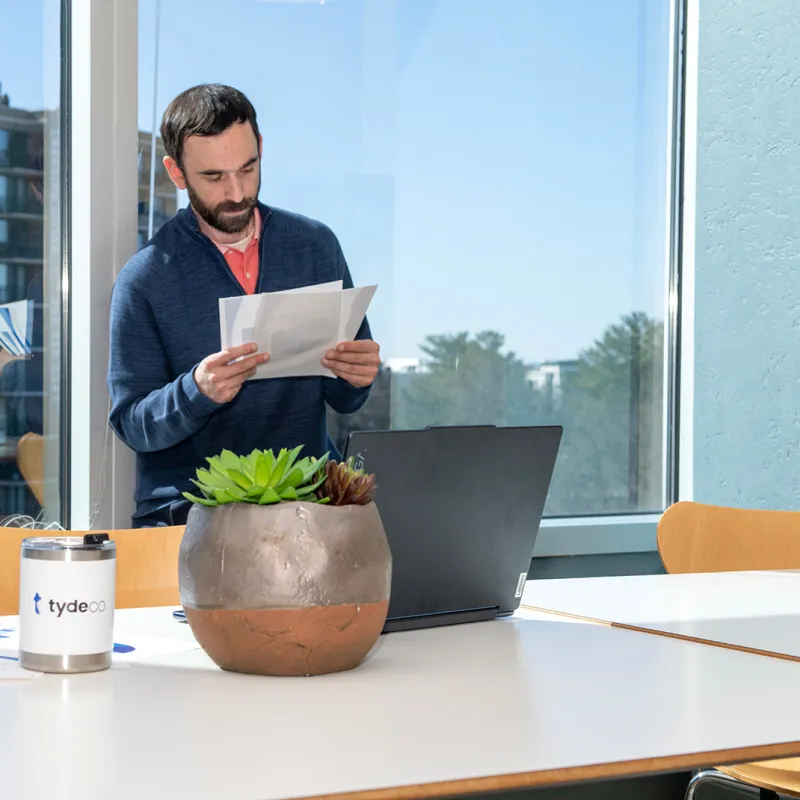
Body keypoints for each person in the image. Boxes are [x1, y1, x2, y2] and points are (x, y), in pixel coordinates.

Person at [108, 84, 381, 527]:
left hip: (307, 509)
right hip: (190, 519)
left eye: (248, 168)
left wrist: (356, 377)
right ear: (176, 173)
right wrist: (196, 391)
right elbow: (131, 424)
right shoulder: (145, 279)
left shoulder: (314, 246)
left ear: (260, 150)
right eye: (214, 177)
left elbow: (346, 398)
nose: (236, 192)